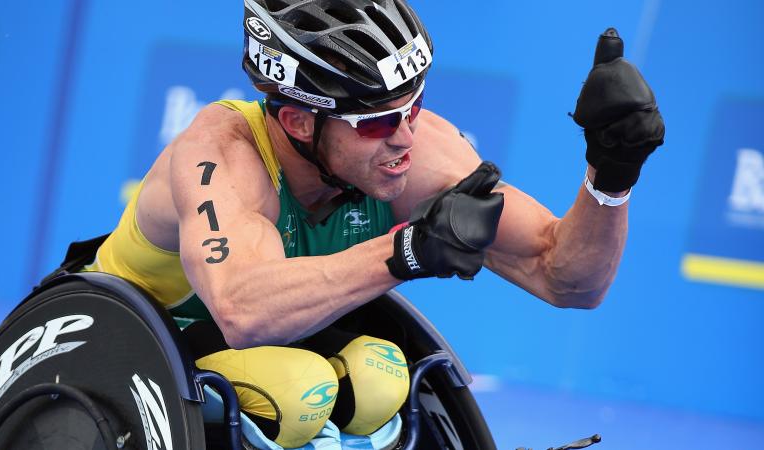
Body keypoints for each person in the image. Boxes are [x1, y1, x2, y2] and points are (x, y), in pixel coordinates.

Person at [82, 0, 664, 448]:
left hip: (267, 351)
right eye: (376, 122)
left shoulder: (415, 155)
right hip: (114, 347)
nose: (405, 138)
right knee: (296, 390)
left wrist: (611, 177)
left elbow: (567, 278)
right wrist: (404, 250)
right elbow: (241, 310)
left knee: (380, 377)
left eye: (411, 107)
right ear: (298, 121)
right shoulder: (223, 154)